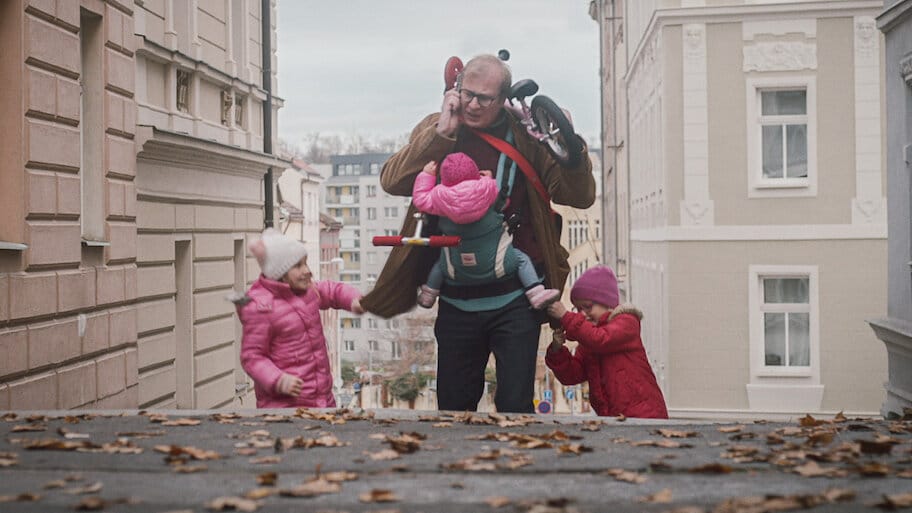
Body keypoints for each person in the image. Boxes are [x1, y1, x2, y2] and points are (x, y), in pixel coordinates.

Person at [359, 54, 595, 413]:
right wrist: (441, 135)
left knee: (516, 404)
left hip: (516, 295)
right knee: (454, 403)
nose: (472, 104)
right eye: (466, 93)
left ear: (502, 100)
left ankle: (515, 467)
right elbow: (393, 181)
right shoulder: (437, 126)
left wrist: (572, 153)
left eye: (484, 98)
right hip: (456, 296)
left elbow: (579, 196)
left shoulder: (526, 136)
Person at [412, 152, 560, 310]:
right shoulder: (489, 188)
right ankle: (535, 292)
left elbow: (420, 200)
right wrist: (488, 177)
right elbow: (505, 202)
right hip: (500, 262)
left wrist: (426, 175)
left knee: (441, 265)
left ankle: (429, 294)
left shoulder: (439, 199)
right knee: (521, 259)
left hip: (457, 264)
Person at [236, 228, 364, 409]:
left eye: (306, 263)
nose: (307, 271)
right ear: (279, 273)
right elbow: (252, 357)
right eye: (298, 266)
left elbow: (332, 290)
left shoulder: (307, 291)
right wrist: (278, 380)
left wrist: (354, 300)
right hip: (284, 408)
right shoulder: (261, 308)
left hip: (322, 400)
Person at [545, 266, 668, 419]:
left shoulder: (626, 322)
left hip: (643, 415)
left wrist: (566, 316)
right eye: (578, 309)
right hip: (613, 416)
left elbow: (600, 339)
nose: (583, 314)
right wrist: (557, 351)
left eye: (588, 306)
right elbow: (572, 375)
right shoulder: (588, 341)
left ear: (607, 303)